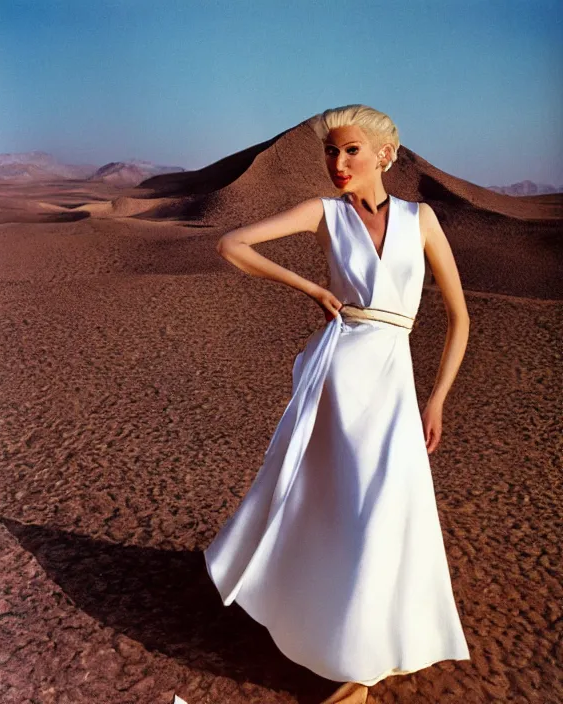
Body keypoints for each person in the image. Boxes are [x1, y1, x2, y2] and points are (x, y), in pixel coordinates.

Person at [204, 104, 471, 704]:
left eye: (352, 150)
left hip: (394, 383)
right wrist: (311, 288)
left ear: (386, 155)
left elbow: (460, 318)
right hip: (338, 375)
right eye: (331, 151)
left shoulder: (420, 219)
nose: (339, 162)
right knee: (340, 505)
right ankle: (349, 658)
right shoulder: (321, 214)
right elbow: (231, 243)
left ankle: (364, 658)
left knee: (384, 507)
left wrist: (437, 401)